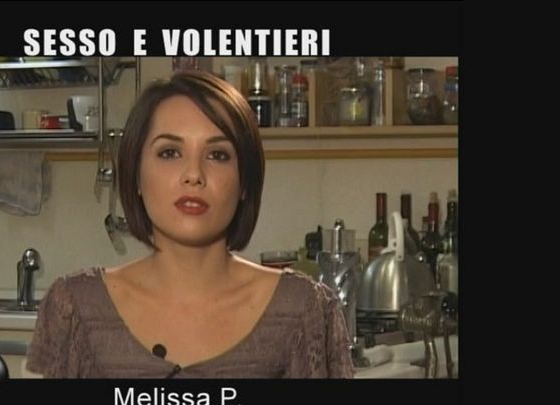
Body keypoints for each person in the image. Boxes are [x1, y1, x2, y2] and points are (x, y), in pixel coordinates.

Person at [26, 70, 354, 378]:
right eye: (169, 153)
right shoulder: (75, 307)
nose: (194, 175)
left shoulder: (304, 310)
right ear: (136, 174)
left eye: (218, 155)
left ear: (244, 182)